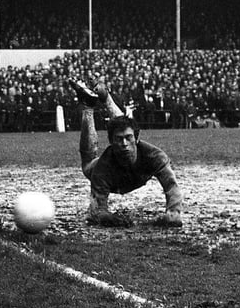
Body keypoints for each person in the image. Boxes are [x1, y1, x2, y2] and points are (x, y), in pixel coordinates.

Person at [70, 77, 183, 228]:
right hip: (102, 169)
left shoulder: (155, 156)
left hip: (132, 171)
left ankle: (106, 97)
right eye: (118, 140)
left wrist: (173, 212)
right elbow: (96, 211)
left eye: (129, 138)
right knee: (88, 162)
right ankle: (88, 108)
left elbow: (171, 186)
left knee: (123, 126)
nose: (124, 144)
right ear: (110, 142)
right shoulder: (102, 168)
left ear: (136, 139)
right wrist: (113, 219)